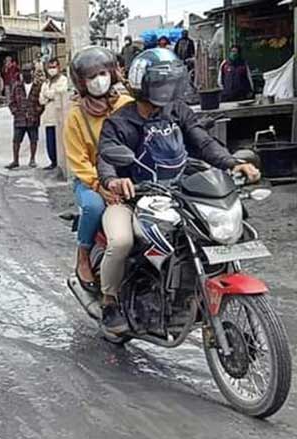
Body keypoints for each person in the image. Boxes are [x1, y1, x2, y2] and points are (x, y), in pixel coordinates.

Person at [96, 48, 261, 335]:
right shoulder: (119, 122)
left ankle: (189, 295)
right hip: (131, 199)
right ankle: (109, 301)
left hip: (178, 194)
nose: (167, 89)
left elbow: (204, 143)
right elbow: (106, 158)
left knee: (208, 234)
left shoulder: (177, 111)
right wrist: (113, 181)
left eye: (170, 83)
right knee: (121, 241)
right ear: (143, 85)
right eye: (161, 83)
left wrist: (235, 162)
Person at [63, 46, 134, 295]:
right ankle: (83, 254)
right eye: (91, 77)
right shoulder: (76, 117)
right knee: (94, 207)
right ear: (82, 83)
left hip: (127, 177)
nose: (98, 80)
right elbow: (78, 161)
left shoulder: (126, 104)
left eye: (102, 73)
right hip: (90, 181)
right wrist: (99, 186)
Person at [6, 63, 45, 170]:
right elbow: (11, 101)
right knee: (16, 140)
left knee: (33, 139)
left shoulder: (38, 86)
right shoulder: (17, 86)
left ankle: (32, 159)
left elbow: (42, 102)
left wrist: (37, 112)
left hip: (33, 118)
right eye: (24, 71)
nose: (26, 73)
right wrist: (15, 112)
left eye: (28, 71)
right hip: (20, 118)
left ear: (33, 72)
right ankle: (15, 160)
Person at [39, 58, 69, 171]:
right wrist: (50, 95)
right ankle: (53, 162)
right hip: (48, 117)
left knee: (59, 142)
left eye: (53, 67)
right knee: (50, 142)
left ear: (58, 67)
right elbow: (41, 100)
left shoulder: (63, 80)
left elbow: (60, 94)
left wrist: (48, 95)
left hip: (59, 118)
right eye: (50, 67)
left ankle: (60, 163)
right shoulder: (46, 83)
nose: (52, 70)